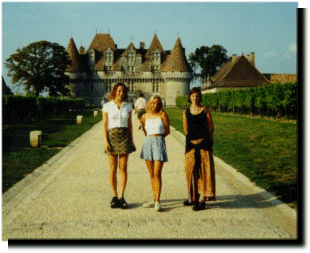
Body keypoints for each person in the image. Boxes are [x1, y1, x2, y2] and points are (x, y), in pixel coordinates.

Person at [102, 83, 136, 209]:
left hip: (125, 136)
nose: (121, 93)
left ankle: (121, 196)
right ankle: (114, 195)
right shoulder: (107, 106)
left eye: (123, 91)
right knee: (112, 168)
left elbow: (130, 124)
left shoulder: (128, 106)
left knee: (123, 168)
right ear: (115, 91)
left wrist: (132, 140)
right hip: (112, 137)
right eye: (119, 91)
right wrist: (106, 141)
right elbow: (104, 124)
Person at [183, 87, 215, 211]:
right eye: (192, 96)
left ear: (199, 97)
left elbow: (211, 127)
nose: (195, 98)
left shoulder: (205, 110)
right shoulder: (185, 112)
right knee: (191, 172)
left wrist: (206, 141)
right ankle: (193, 196)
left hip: (203, 146)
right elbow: (186, 129)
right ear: (189, 97)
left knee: (204, 172)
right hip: (191, 146)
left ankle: (202, 199)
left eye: (197, 96)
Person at [140, 95, 170, 211]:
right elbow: (144, 130)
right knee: (152, 174)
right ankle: (154, 198)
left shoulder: (162, 114)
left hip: (159, 143)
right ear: (149, 103)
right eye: (153, 103)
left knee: (157, 173)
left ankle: (157, 200)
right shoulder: (144, 116)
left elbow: (167, 130)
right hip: (148, 143)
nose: (155, 105)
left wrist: (159, 138)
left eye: (157, 103)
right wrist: (150, 139)